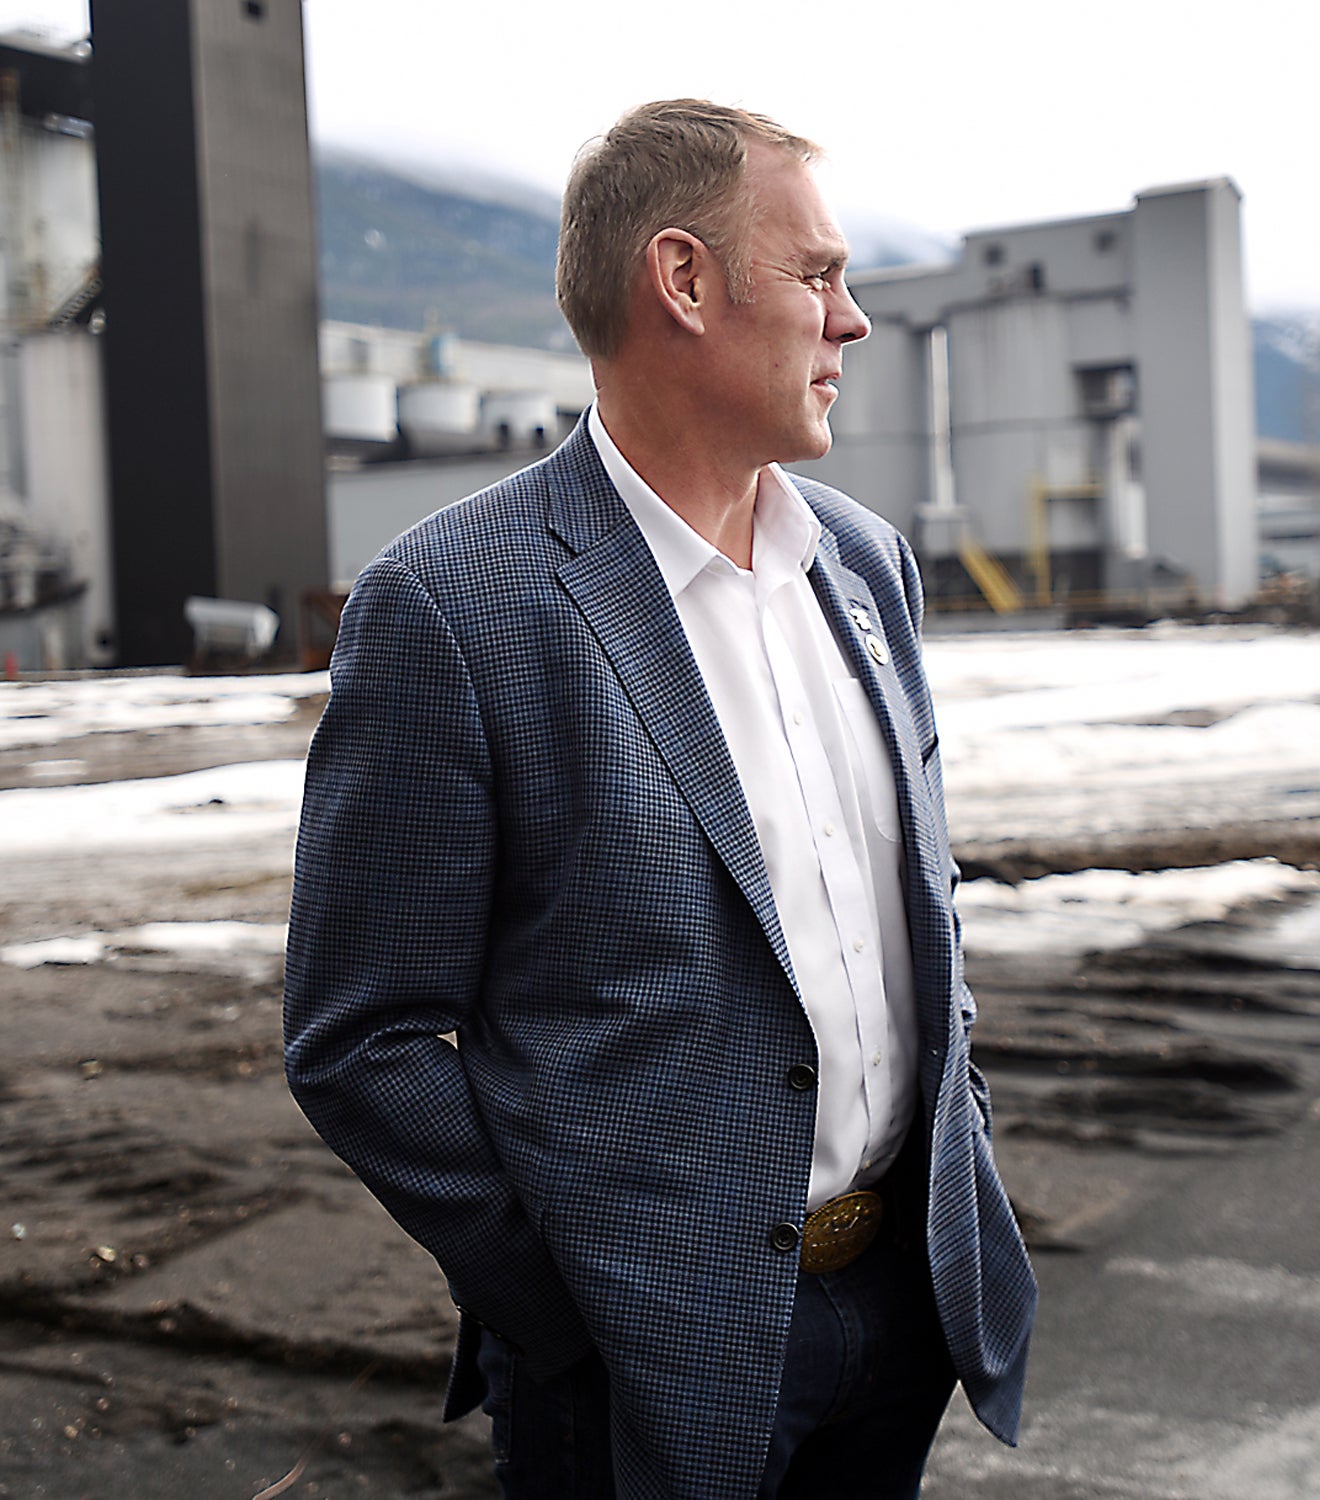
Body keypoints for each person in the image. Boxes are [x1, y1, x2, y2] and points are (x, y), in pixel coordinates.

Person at [283, 99, 1036, 1499]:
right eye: (818, 275)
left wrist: (956, 1148)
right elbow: (359, 1038)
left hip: (904, 1312)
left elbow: (910, 916)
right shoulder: (454, 608)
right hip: (644, 1365)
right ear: (683, 282)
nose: (852, 321)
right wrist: (579, 1304)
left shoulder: (866, 568)